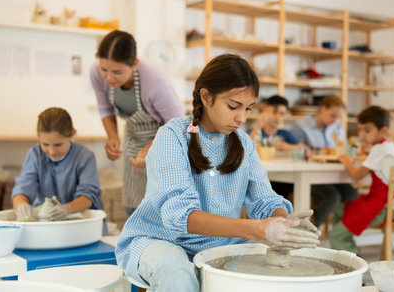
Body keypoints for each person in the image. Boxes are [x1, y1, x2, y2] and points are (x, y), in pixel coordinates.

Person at [115, 54, 320, 291]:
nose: (241, 118)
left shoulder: (244, 144)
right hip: (161, 239)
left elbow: (264, 199)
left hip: (219, 243)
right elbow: (180, 216)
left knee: (276, 271)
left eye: (248, 108)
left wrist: (285, 222)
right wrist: (258, 229)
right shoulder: (172, 136)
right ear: (206, 96)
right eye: (233, 106)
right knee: (175, 270)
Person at [90, 30, 184, 217]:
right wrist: (113, 138)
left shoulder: (155, 80)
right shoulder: (96, 71)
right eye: (104, 70)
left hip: (167, 139)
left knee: (161, 203)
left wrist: (152, 149)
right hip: (133, 137)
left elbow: (178, 124)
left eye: (117, 72)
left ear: (134, 64)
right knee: (134, 204)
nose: (108, 78)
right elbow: (105, 107)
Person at [12, 107, 105, 225]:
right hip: (47, 219)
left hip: (81, 219)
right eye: (45, 144)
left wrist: (67, 209)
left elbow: (89, 196)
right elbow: (22, 187)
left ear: (72, 134)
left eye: (58, 145)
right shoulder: (35, 154)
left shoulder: (85, 157)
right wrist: (21, 206)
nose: (51, 151)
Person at [330, 106, 394, 253]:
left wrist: (346, 160)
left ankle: (350, 265)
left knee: (335, 234)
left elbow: (356, 176)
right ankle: (347, 246)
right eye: (360, 130)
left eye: (367, 130)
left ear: (383, 131)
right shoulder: (389, 147)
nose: (362, 135)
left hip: (381, 208)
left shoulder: (379, 150)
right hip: (387, 204)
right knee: (338, 210)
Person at [290, 95, 358, 227]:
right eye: (332, 115)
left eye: (338, 117)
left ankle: (339, 232)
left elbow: (340, 147)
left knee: (352, 194)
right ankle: (311, 229)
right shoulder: (301, 126)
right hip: (310, 174)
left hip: (330, 174)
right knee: (333, 196)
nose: (335, 120)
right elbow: (297, 153)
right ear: (322, 109)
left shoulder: (336, 127)